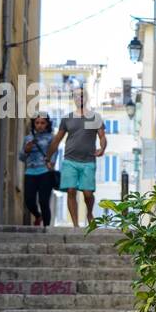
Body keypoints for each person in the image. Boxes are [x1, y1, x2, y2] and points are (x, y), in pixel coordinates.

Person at [46, 84, 106, 228]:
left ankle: (89, 213)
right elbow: (57, 139)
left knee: (87, 194)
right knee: (71, 191)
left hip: (88, 161)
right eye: (76, 95)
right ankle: (75, 225)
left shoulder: (95, 117)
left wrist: (102, 148)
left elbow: (102, 136)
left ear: (86, 98)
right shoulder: (67, 119)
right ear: (73, 99)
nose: (79, 98)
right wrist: (48, 157)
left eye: (82, 95)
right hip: (70, 161)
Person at [19, 113, 56, 227]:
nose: (40, 125)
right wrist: (26, 150)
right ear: (34, 124)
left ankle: (46, 228)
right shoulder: (28, 138)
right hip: (30, 172)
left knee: (43, 201)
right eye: (37, 123)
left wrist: (51, 163)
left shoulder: (51, 138)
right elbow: (21, 157)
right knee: (29, 200)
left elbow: (54, 153)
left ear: (47, 124)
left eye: (42, 123)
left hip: (45, 172)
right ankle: (37, 215)